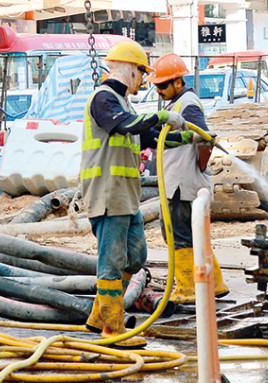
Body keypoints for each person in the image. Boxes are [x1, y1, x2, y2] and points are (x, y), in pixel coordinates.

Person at [81, 41, 188, 349]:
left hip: (126, 196)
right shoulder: (104, 99)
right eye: (142, 72)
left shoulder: (123, 103)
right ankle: (113, 330)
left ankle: (98, 317)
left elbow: (150, 136)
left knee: (136, 256)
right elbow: (128, 126)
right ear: (129, 69)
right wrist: (164, 117)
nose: (144, 79)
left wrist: (188, 137)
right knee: (112, 261)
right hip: (107, 194)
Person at [146, 53, 229, 304]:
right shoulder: (177, 104)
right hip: (179, 182)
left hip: (181, 184)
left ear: (178, 82)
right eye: (156, 86)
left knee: (178, 235)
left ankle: (186, 289)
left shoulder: (188, 104)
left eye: (162, 85)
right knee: (193, 237)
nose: (158, 90)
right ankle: (215, 284)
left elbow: (205, 138)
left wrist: (199, 167)